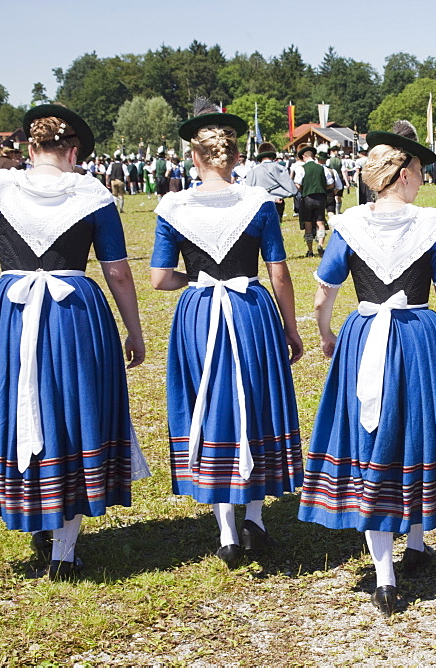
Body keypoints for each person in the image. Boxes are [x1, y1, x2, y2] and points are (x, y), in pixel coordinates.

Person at [0, 104, 146, 581]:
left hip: (7, 313)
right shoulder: (94, 195)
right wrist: (134, 330)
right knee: (75, 413)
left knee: (15, 408)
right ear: (73, 150)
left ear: (29, 147)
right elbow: (117, 271)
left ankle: (35, 513)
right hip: (75, 312)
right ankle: (64, 548)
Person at [298, 121, 436, 617]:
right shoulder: (431, 225)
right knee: (416, 433)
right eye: (420, 169)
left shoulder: (348, 225)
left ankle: (387, 573)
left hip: (364, 337)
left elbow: (323, 294)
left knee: (373, 437)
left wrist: (326, 334)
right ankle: (417, 542)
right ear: (402, 173)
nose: (423, 178)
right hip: (419, 336)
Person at [150, 104, 304, 570]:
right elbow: (278, 271)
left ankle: (226, 532)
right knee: (254, 401)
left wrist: (195, 283)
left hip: (199, 312)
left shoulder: (173, 205)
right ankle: (255, 518)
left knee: (209, 403)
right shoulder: (258, 202)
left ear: (193, 158)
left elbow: (158, 277)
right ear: (236, 159)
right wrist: (291, 328)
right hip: (251, 307)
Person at [293, 145, 332, 258]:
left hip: (307, 198)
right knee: (320, 223)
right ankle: (320, 244)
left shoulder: (301, 168)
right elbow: (331, 184)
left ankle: (310, 250)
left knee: (308, 224)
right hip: (321, 198)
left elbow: (297, 184)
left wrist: (304, 190)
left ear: (304, 156)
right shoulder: (322, 168)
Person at [247, 142, 297, 219]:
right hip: (277, 203)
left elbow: (249, 192)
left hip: (259, 204)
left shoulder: (252, 172)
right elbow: (292, 189)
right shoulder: (279, 168)